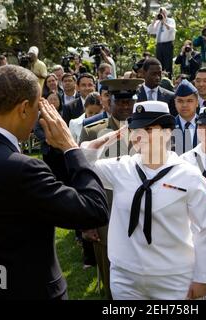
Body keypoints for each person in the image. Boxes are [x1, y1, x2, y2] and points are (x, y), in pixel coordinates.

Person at [0, 65, 108, 300]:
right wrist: (71, 148)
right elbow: (94, 210)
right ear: (23, 108)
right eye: (38, 108)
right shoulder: (22, 168)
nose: (39, 117)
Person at [82, 100, 206, 299]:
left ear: (167, 132)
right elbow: (83, 168)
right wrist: (100, 143)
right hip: (125, 277)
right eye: (135, 128)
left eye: (148, 129)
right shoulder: (121, 167)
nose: (140, 135)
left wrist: (203, 277)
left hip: (173, 277)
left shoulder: (188, 175)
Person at [79, 78, 144, 299]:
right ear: (108, 102)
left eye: (130, 102)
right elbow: (83, 177)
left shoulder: (149, 130)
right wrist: (87, 222)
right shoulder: (92, 132)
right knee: (112, 284)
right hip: (105, 216)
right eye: (120, 102)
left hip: (142, 215)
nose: (126, 107)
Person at [147, 7, 176, 78]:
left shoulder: (171, 20)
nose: (162, 14)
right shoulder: (157, 23)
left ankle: (168, 79)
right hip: (159, 45)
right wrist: (154, 20)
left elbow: (171, 30)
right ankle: (159, 79)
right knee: (159, 64)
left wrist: (164, 22)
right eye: (160, 13)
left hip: (168, 44)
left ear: (166, 13)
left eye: (163, 13)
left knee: (168, 64)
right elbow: (149, 31)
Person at [173, 80, 200, 154]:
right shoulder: (168, 127)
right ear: (175, 102)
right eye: (180, 101)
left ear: (197, 102)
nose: (184, 105)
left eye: (189, 101)